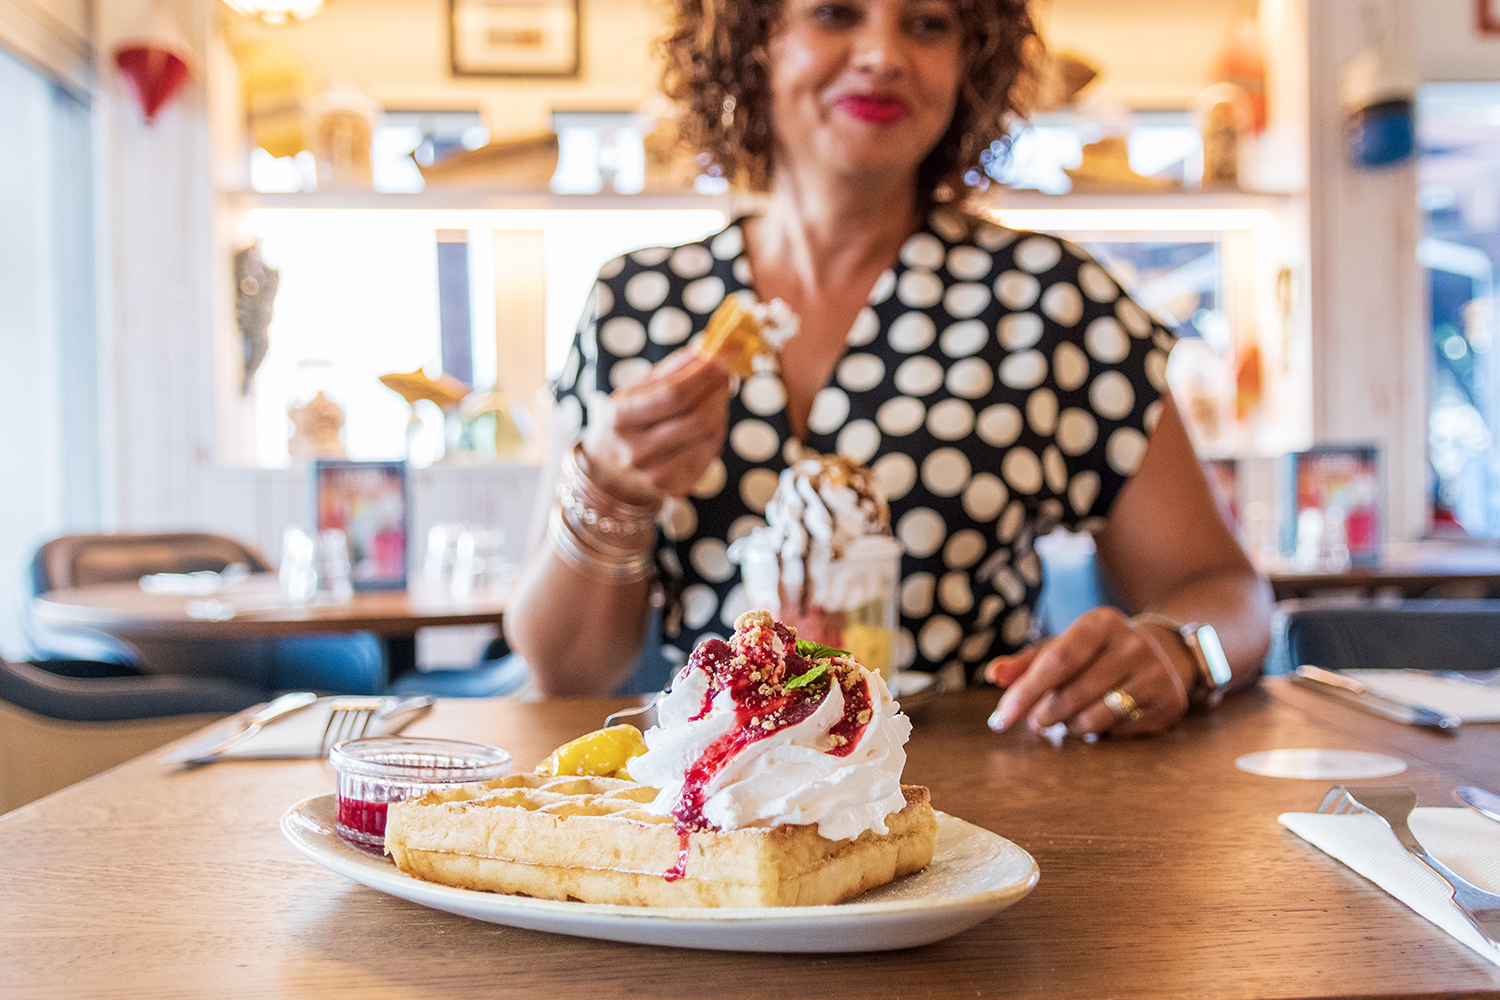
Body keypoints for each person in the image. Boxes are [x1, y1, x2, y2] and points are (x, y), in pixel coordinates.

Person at [504, 0, 1272, 738]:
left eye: (928, 24)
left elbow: (1225, 589)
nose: (883, 55)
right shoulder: (636, 303)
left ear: (970, 64)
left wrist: (1179, 649)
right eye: (834, 13)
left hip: (970, 802)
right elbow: (566, 670)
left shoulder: (1051, 303)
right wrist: (612, 490)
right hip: (715, 801)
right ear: (753, 43)